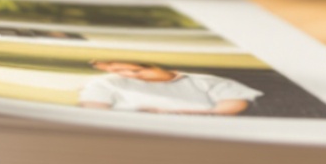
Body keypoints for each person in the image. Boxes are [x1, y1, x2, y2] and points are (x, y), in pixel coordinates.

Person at [78, 59, 262, 115]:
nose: (123, 73)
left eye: (133, 70)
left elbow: (233, 103)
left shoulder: (203, 81)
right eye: (116, 69)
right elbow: (94, 109)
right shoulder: (106, 82)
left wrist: (198, 115)